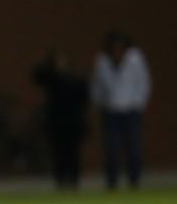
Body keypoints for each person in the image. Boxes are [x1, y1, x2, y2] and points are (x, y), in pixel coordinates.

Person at [91, 32, 151, 190]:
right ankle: (112, 182)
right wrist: (99, 103)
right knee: (111, 148)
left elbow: (144, 82)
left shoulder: (135, 59)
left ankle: (134, 180)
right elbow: (97, 86)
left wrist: (139, 103)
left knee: (133, 146)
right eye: (114, 47)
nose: (117, 50)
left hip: (131, 110)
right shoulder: (102, 61)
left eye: (120, 47)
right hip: (110, 111)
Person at [33, 49, 88, 190]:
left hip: (72, 122)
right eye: (58, 61)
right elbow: (37, 76)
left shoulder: (75, 79)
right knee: (58, 153)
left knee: (73, 153)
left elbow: (84, 99)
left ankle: (74, 180)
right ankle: (60, 180)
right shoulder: (52, 80)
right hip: (56, 123)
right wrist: (48, 64)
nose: (61, 64)